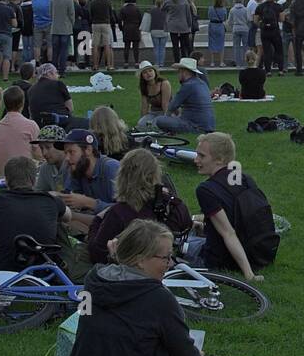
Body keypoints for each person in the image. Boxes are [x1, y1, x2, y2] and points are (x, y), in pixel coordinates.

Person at [64, 218, 240, 356]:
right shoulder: (157, 297)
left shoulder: (95, 280)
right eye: (165, 258)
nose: (169, 264)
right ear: (139, 260)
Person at [181, 132, 270, 281]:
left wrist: (249, 274)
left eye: (202, 156)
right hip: (257, 252)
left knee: (175, 242)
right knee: (194, 230)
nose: (196, 160)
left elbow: (228, 233)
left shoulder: (206, 189)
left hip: (222, 260)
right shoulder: (244, 178)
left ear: (220, 160)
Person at [0, 156, 69, 271]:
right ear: (34, 180)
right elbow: (68, 216)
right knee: (58, 220)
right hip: (43, 269)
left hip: (2, 271)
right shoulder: (50, 200)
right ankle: (64, 263)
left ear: (6, 180)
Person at [86, 148, 167, 269]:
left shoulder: (119, 212)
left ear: (122, 175)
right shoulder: (166, 203)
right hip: (166, 267)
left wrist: (96, 221)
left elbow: (97, 254)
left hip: (130, 274)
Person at [56, 128, 121, 233]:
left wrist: (90, 203)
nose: (67, 158)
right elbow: (69, 196)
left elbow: (128, 211)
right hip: (96, 224)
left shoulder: (111, 169)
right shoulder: (77, 169)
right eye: (65, 153)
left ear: (88, 150)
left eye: (71, 152)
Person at [145, 58, 215, 134]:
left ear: (184, 72)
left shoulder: (188, 86)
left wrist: (166, 118)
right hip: (208, 126)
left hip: (195, 126)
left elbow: (172, 106)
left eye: (178, 72)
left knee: (159, 120)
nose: (177, 75)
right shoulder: (201, 83)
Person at [28, 62, 73, 127]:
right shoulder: (58, 84)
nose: (58, 76)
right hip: (61, 122)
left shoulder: (31, 89)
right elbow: (70, 108)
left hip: (39, 125)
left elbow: (31, 113)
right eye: (56, 73)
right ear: (49, 74)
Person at [253, 0, 286, 76]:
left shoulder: (260, 7)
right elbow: (282, 19)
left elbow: (255, 21)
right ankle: (280, 70)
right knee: (279, 50)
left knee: (267, 51)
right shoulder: (278, 6)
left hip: (265, 32)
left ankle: (268, 71)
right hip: (275, 31)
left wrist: (262, 25)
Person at [31, 124, 69, 192]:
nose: (44, 153)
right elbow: (39, 193)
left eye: (48, 147)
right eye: (41, 148)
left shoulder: (73, 166)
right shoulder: (46, 167)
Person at [48, 0, 75, 76]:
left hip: (55, 28)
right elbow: (71, 14)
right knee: (64, 51)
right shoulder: (69, 1)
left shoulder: (52, 0)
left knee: (55, 51)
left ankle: (54, 71)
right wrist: (72, 24)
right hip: (65, 29)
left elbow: (50, 13)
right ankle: (62, 71)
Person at [165, 0, 193, 65]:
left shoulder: (168, 2)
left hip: (173, 26)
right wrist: (189, 26)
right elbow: (188, 15)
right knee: (184, 45)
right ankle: (186, 61)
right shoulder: (184, 1)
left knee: (175, 46)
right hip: (183, 26)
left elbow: (163, 9)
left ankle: (177, 61)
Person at [118, 0, 143, 67]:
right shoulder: (137, 9)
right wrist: (139, 28)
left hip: (126, 28)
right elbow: (141, 20)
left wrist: (121, 28)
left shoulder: (123, 9)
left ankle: (126, 62)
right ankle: (136, 62)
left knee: (126, 46)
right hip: (135, 28)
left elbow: (119, 20)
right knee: (136, 47)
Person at [226, 0, 250, 68]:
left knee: (236, 47)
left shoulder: (232, 10)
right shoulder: (245, 9)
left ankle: (238, 63)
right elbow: (248, 19)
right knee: (246, 46)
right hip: (245, 28)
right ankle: (246, 62)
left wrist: (232, 26)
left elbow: (229, 21)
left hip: (236, 28)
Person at [32, 0, 53, 65]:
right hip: (49, 23)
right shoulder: (51, 1)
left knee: (37, 45)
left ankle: (37, 62)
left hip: (37, 24)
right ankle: (50, 62)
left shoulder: (34, 0)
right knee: (50, 45)